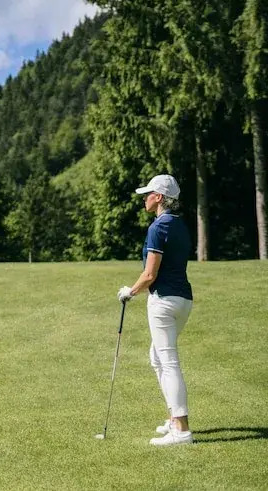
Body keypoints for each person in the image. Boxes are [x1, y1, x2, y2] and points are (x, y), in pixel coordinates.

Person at [117, 174, 194, 446]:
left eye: (148, 194)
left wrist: (130, 292)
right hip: (183, 301)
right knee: (157, 357)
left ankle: (181, 430)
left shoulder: (157, 228)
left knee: (168, 361)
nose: (144, 198)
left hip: (163, 301)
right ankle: (174, 418)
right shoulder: (180, 225)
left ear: (159, 197)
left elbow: (150, 274)